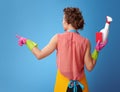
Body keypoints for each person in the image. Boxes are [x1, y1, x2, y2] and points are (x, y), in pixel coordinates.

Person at [16, 7, 107, 92]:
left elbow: (39, 55)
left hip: (62, 86)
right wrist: (97, 50)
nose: (62, 22)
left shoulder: (58, 38)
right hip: (81, 87)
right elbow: (90, 67)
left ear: (68, 21)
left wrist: (27, 42)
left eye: (63, 19)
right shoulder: (86, 42)